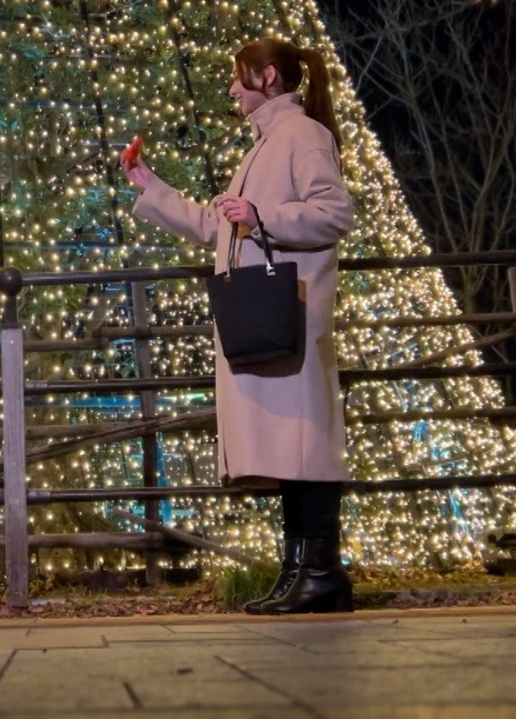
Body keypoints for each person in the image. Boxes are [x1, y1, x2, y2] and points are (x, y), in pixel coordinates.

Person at [123, 38, 355, 615]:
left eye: (237, 79)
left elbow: (334, 213)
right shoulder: (266, 146)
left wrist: (262, 216)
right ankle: (302, 571)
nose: (231, 90)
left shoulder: (301, 136)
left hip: (291, 316)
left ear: (268, 77)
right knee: (291, 454)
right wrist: (151, 188)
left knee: (307, 448)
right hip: (271, 317)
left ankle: (321, 573)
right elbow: (217, 227)